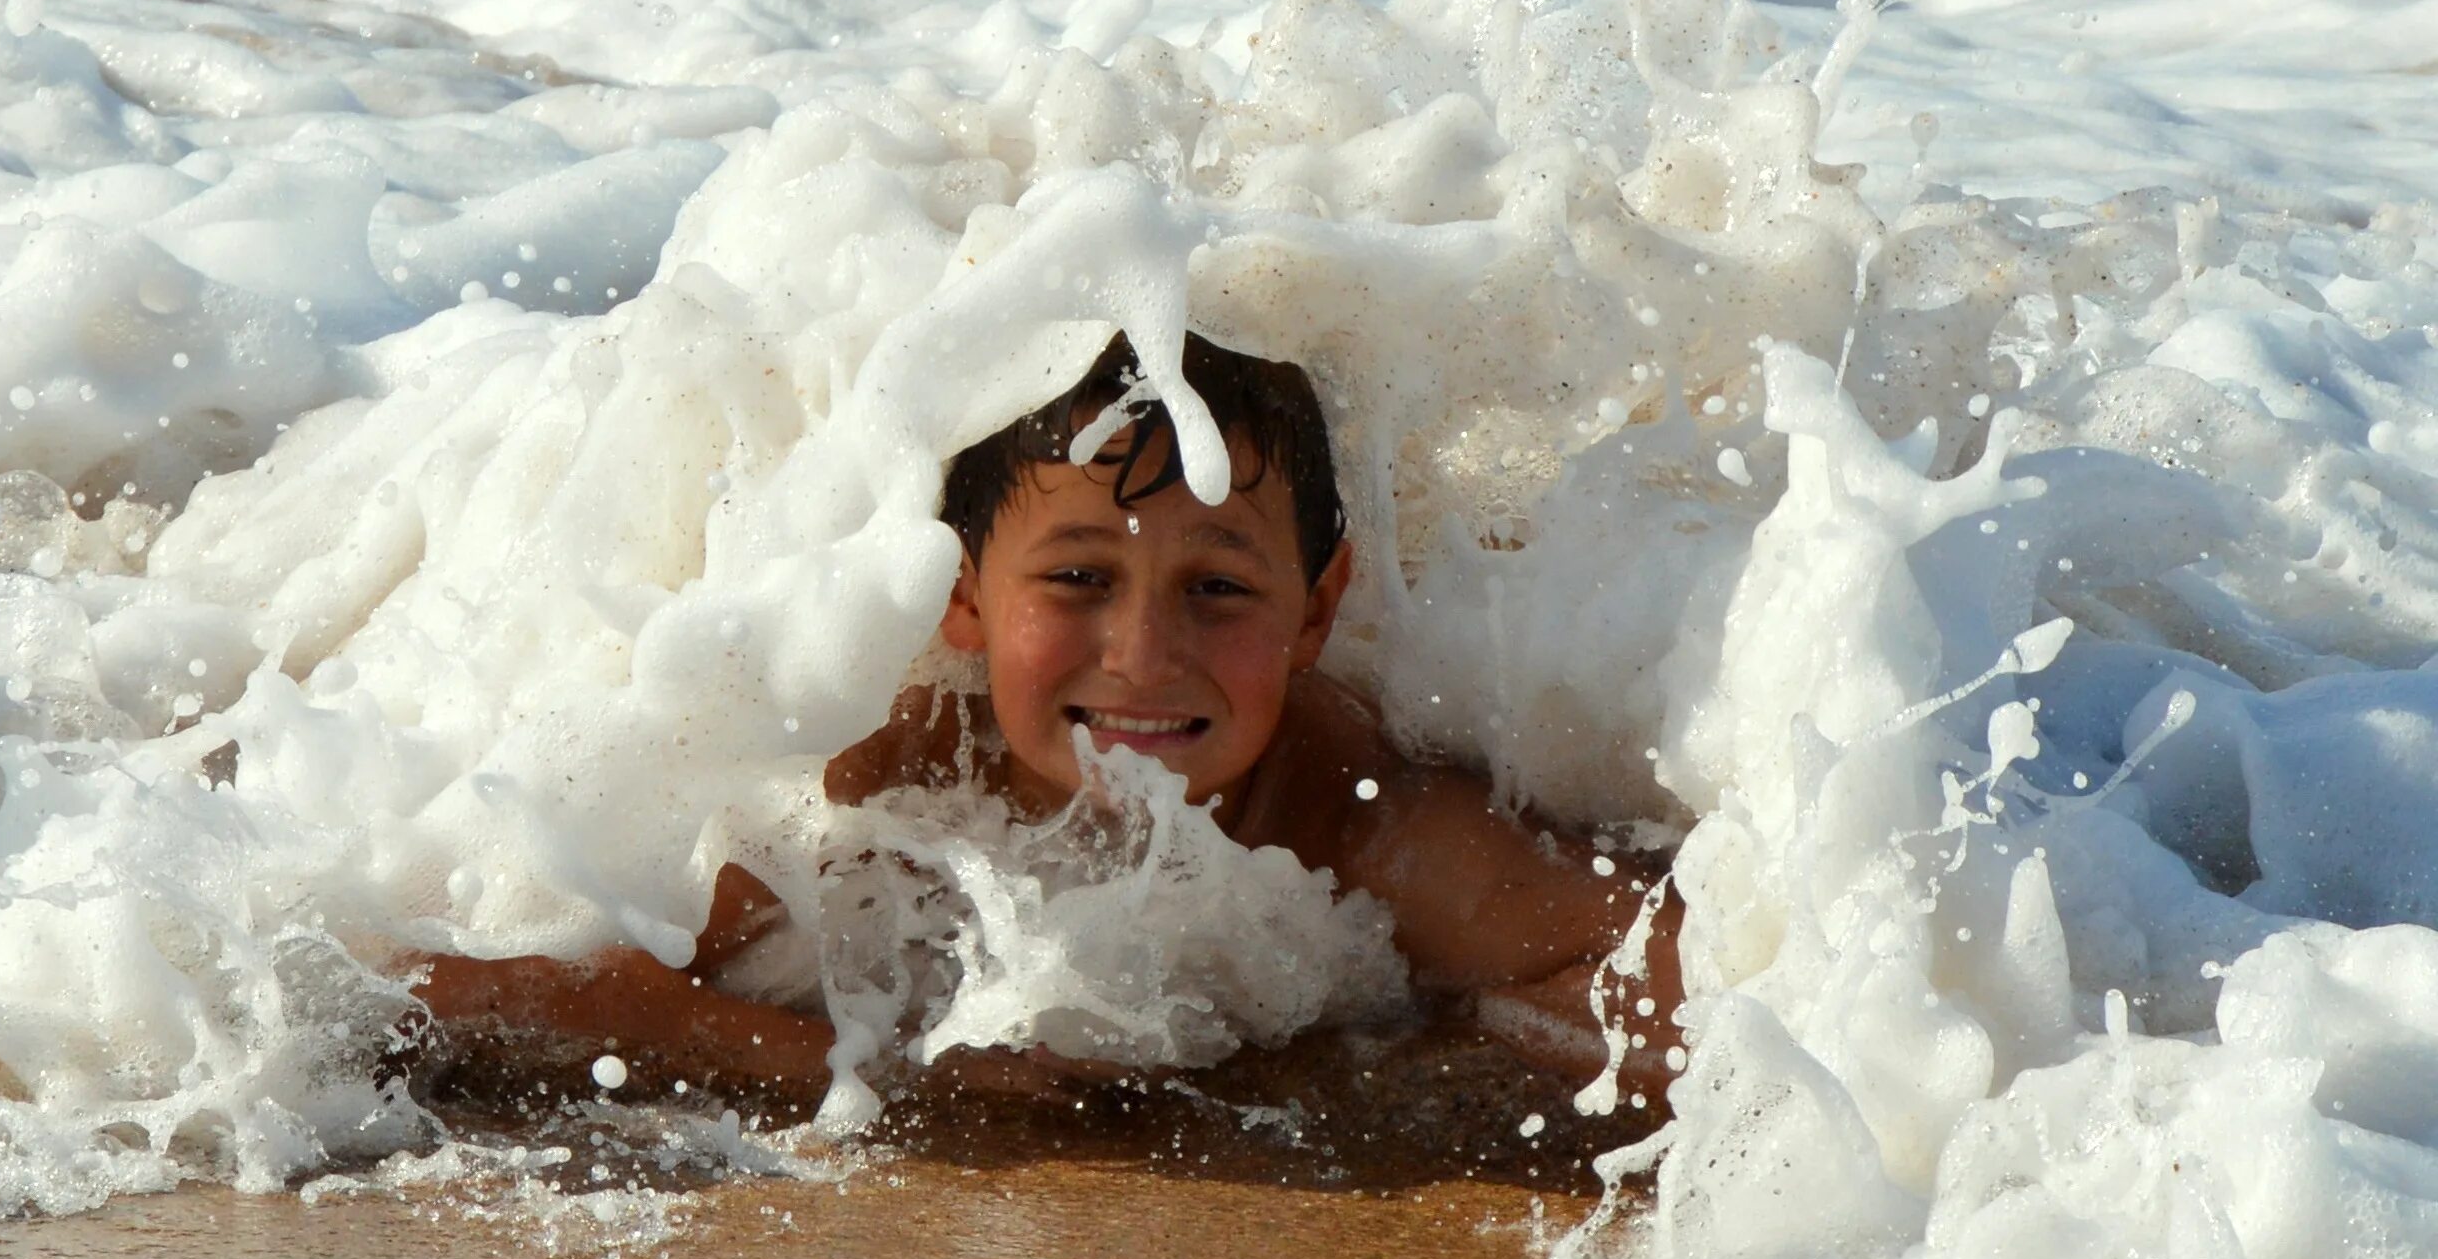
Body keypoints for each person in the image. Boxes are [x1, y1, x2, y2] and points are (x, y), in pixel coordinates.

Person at [413, 333, 1683, 1124]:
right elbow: (467, 973)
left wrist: (1392, 1060)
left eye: (1221, 587)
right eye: (1076, 579)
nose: (1142, 656)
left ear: (1317, 611)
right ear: (960, 596)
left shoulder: (1349, 820)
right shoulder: (866, 782)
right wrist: (865, 1070)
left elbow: (1663, 972)